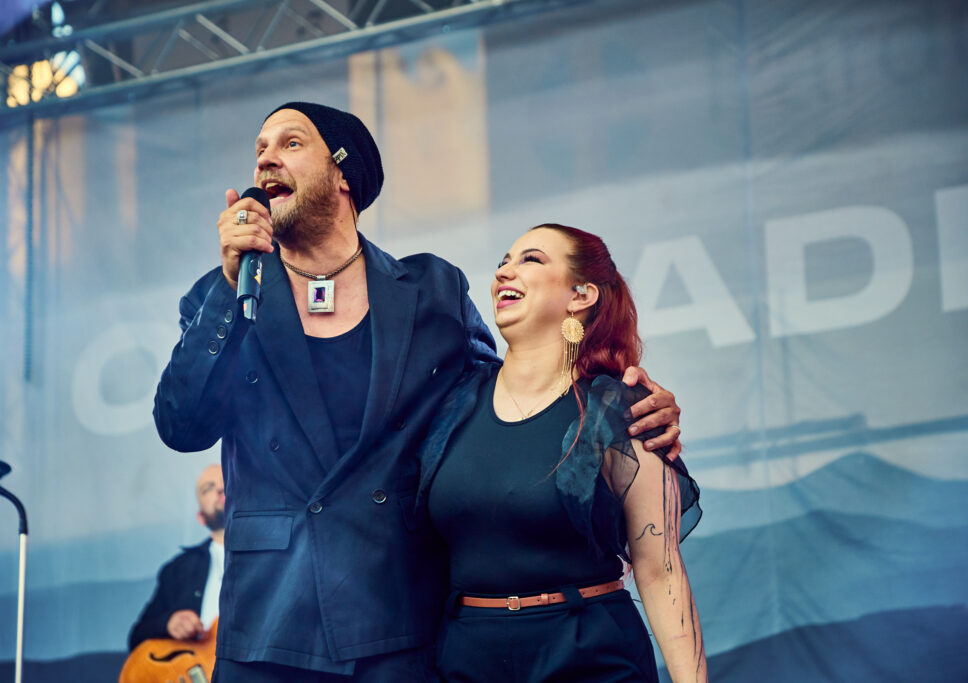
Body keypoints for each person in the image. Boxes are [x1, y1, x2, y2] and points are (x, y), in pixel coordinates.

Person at [153, 102, 684, 681]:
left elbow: (500, 398)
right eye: (260, 149)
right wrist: (231, 284)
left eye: (291, 143)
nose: (265, 160)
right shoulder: (224, 295)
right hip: (268, 625)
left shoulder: (431, 289)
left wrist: (612, 401)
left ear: (343, 173)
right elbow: (182, 426)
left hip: (398, 619)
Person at [419, 224, 706, 682]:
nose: (504, 272)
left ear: (581, 295)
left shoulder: (618, 408)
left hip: (588, 655)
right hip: (468, 658)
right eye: (502, 263)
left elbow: (660, 571)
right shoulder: (451, 404)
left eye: (530, 260)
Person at [128, 464, 226, 650]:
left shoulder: (277, 555)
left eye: (227, 480)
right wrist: (168, 623)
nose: (221, 488)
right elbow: (136, 637)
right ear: (201, 517)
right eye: (208, 488)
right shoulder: (178, 570)